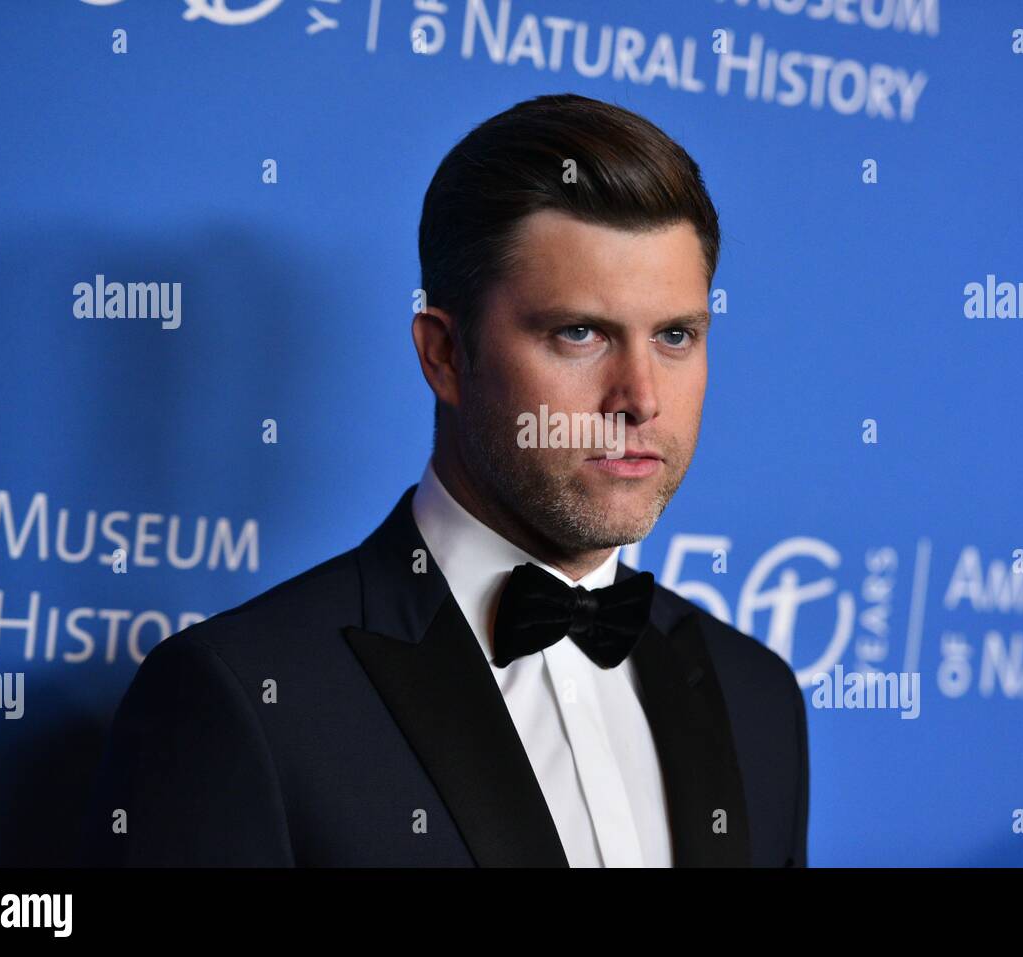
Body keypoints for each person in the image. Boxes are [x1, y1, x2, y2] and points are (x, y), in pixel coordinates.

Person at [81, 92, 809, 867]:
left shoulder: (755, 697)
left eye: (675, 335)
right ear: (445, 355)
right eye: (579, 332)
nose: (640, 398)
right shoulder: (246, 698)